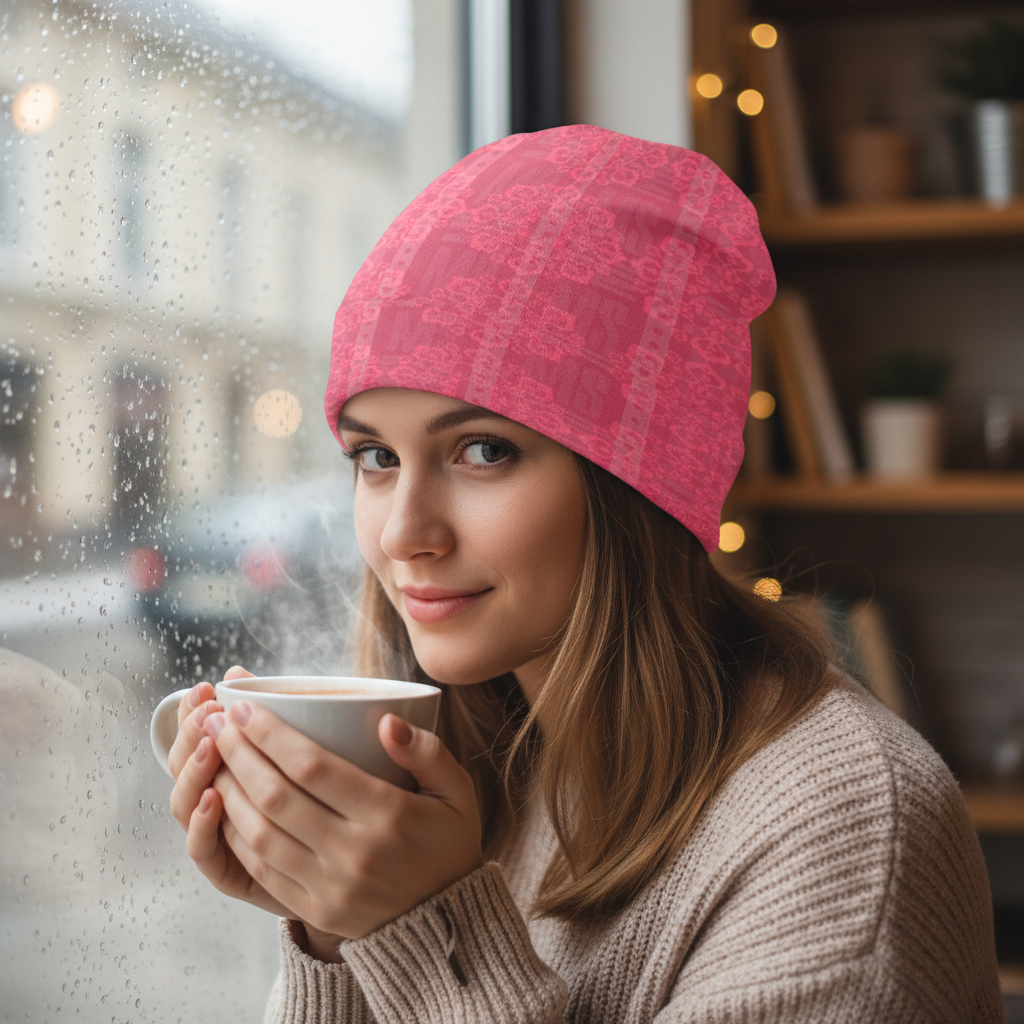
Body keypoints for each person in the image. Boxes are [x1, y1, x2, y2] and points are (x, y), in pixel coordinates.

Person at [166, 125, 1004, 1023]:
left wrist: (426, 931)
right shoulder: (482, 760)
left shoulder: (839, 833)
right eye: (374, 457)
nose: (404, 533)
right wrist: (333, 926)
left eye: (483, 450)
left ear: (637, 487)